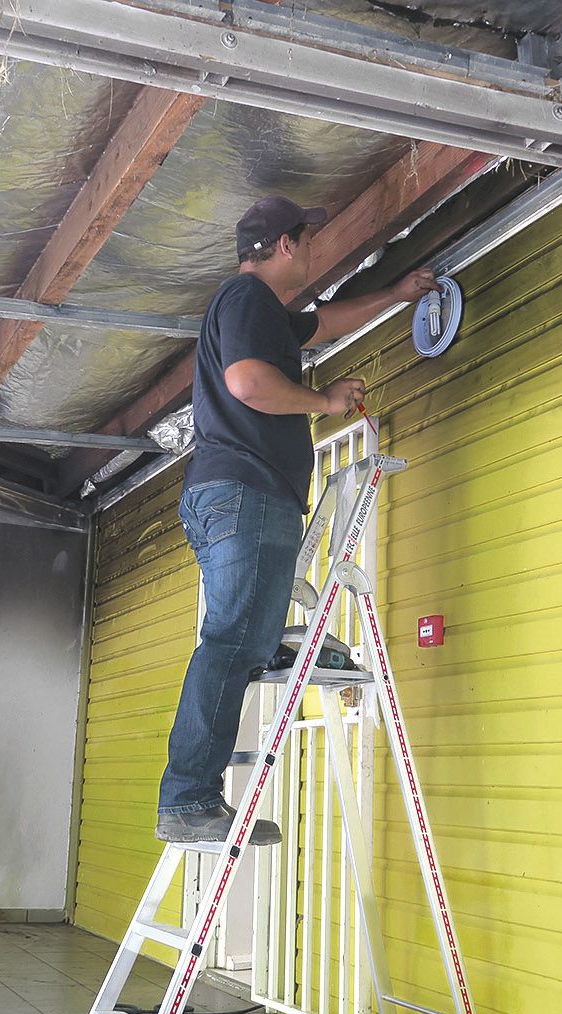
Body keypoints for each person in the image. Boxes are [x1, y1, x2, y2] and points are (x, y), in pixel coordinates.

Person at [156, 195, 439, 844]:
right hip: (247, 491)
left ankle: (190, 796)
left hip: (226, 494)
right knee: (233, 644)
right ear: (284, 245)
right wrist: (323, 400)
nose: (310, 253)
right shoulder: (247, 300)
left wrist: (395, 294)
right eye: (306, 243)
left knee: (236, 640)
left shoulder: (258, 313)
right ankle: (189, 800)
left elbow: (324, 322)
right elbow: (249, 384)